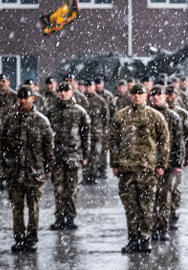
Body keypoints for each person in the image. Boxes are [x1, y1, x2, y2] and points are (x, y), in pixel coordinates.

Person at [110, 83, 170, 253]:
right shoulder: (121, 116)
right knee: (130, 207)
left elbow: (164, 143)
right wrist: (114, 164)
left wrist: (161, 165)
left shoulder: (155, 116)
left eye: (140, 93)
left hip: (147, 169)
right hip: (127, 169)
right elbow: (114, 142)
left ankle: (145, 238)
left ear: (146, 95)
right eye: (134, 94)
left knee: (146, 206)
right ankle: (133, 239)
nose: (137, 96)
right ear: (130, 95)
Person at [0, 85, 54, 252]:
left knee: (33, 209)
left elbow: (48, 147)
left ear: (33, 98)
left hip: (34, 173)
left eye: (26, 97)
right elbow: (2, 146)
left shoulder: (41, 121)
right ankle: (19, 238)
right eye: (20, 98)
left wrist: (48, 168)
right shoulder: (10, 120)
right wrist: (3, 167)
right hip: (14, 172)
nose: (22, 101)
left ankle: (31, 239)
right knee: (17, 208)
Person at [46, 83, 90, 231]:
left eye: (66, 91)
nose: (63, 93)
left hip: (74, 155)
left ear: (72, 93)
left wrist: (85, 154)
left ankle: (70, 218)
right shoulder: (51, 111)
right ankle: (59, 218)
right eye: (60, 91)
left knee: (71, 190)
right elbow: (46, 136)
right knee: (58, 189)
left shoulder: (79, 111)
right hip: (57, 156)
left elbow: (85, 135)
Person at [149, 85, 185, 241]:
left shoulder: (172, 117)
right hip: (148, 162)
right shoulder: (146, 115)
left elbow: (178, 142)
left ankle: (162, 228)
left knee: (164, 197)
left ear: (165, 97)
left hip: (167, 163)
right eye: (154, 95)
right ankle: (149, 227)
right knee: (148, 197)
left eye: (159, 95)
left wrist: (178, 163)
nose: (156, 98)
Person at [166, 85, 188, 230]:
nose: (169, 97)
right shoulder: (160, 112)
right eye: (167, 94)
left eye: (171, 94)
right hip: (163, 155)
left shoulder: (181, 114)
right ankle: (163, 214)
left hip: (176, 154)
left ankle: (173, 213)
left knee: (174, 186)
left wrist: (187, 156)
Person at [80, 79, 109, 184]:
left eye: (90, 86)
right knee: (84, 154)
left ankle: (93, 175)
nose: (88, 88)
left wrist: (105, 131)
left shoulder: (100, 101)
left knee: (96, 154)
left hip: (96, 132)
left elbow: (106, 117)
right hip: (84, 132)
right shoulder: (81, 100)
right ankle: (85, 176)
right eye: (86, 86)